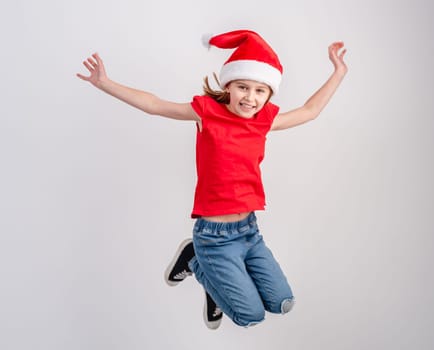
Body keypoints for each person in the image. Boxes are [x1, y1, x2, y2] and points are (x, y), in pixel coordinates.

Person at [77, 29, 347, 330]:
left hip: (249, 231)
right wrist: (104, 83)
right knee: (250, 316)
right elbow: (154, 105)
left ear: (269, 94)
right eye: (243, 87)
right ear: (228, 86)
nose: (250, 97)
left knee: (283, 303)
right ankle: (196, 260)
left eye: (260, 90)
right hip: (214, 236)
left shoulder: (263, 122)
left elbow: (310, 111)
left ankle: (202, 266)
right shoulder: (208, 113)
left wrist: (339, 72)